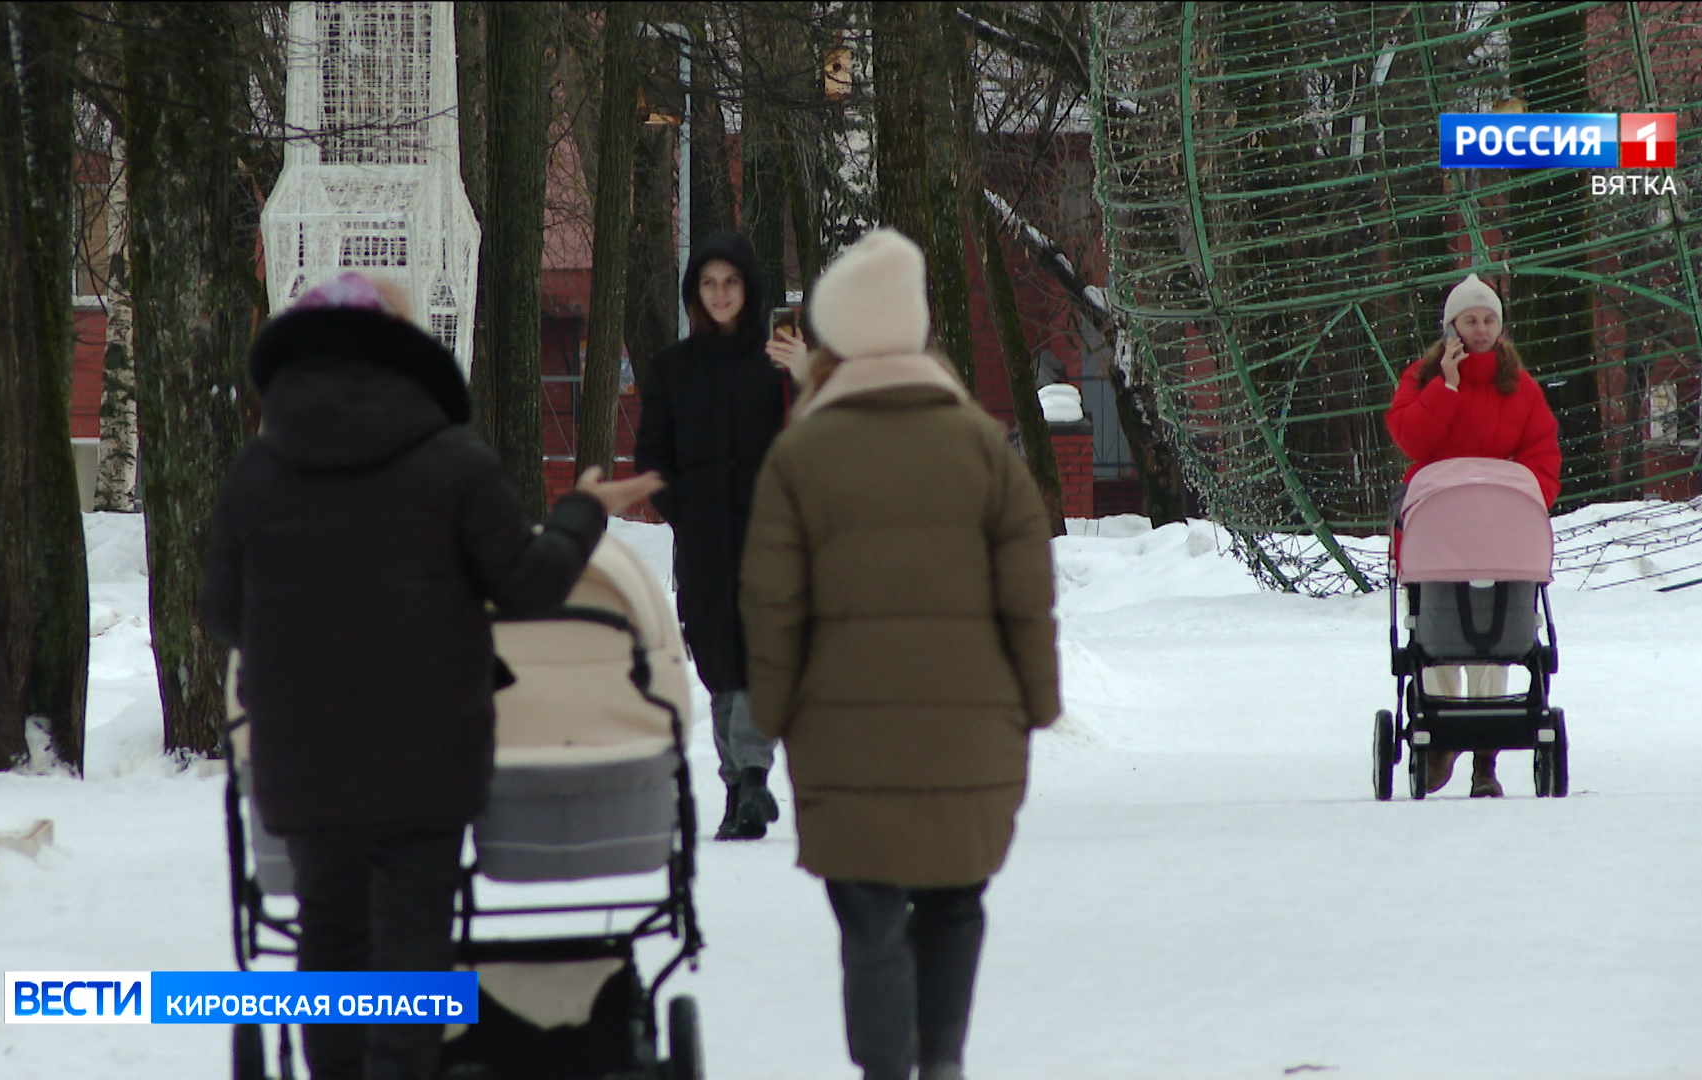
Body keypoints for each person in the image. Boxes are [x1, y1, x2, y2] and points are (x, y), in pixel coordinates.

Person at [200, 272, 661, 1080]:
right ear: (403, 350)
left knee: (331, 945)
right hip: (425, 758)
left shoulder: (257, 474)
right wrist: (583, 511)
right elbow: (525, 586)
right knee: (412, 956)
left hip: (305, 759)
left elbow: (224, 613)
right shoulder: (451, 460)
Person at [739, 229, 1060, 1080]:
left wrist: (769, 714)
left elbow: (771, 604)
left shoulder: (800, 453)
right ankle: (943, 1063)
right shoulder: (984, 449)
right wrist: (1038, 699)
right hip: (972, 729)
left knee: (870, 914)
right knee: (955, 903)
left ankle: (886, 1070)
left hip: (841, 735)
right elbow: (1028, 594)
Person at [634, 231, 809, 841]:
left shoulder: (777, 365)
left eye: (731, 281)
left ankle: (752, 777)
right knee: (719, 662)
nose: (720, 294)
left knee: (759, 652)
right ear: (694, 293)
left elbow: (822, 435)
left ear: (749, 288)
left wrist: (809, 374)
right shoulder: (670, 369)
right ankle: (740, 787)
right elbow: (653, 458)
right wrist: (682, 507)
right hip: (704, 541)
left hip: (771, 536)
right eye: (708, 283)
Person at [1386, 272, 1561, 798]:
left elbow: (1542, 455)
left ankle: (1485, 754)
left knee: (1497, 637)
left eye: (1489, 320)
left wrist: (1525, 499)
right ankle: (1443, 735)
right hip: (1438, 532)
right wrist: (1448, 387)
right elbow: (1410, 438)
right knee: (1437, 635)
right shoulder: (1422, 378)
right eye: (1470, 320)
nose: (1481, 329)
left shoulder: (1521, 387)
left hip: (1499, 533)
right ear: (1452, 327)